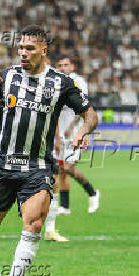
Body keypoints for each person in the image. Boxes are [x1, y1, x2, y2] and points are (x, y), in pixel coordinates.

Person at [0, 25, 98, 276]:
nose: (23, 53)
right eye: (20, 49)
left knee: (34, 223)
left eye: (29, 48)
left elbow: (90, 114)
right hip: (0, 164)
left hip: (38, 166)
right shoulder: (6, 76)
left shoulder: (61, 83)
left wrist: (83, 131)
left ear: (43, 50)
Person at [55, 57, 100, 215]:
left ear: (72, 66)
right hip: (59, 134)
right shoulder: (56, 82)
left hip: (75, 133)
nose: (62, 67)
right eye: (59, 65)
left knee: (67, 167)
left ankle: (92, 192)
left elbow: (83, 108)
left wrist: (75, 128)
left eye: (66, 64)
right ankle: (65, 206)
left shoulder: (78, 82)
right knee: (61, 169)